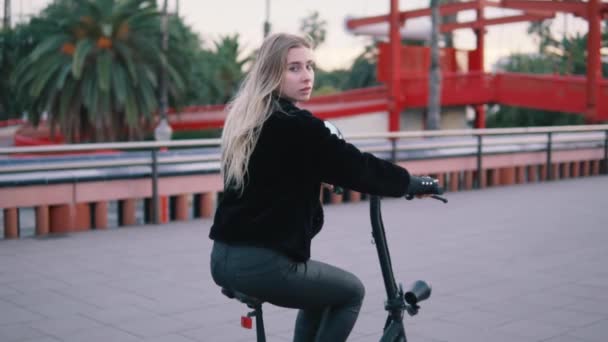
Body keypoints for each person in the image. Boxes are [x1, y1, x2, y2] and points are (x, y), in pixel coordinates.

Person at [209, 33, 440, 342]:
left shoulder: (247, 119)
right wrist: (410, 182)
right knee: (350, 292)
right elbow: (357, 167)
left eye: (310, 66)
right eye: (293, 68)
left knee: (320, 294)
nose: (306, 76)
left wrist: (314, 172)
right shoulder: (297, 125)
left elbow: (270, 172)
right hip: (263, 264)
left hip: (223, 257)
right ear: (270, 72)